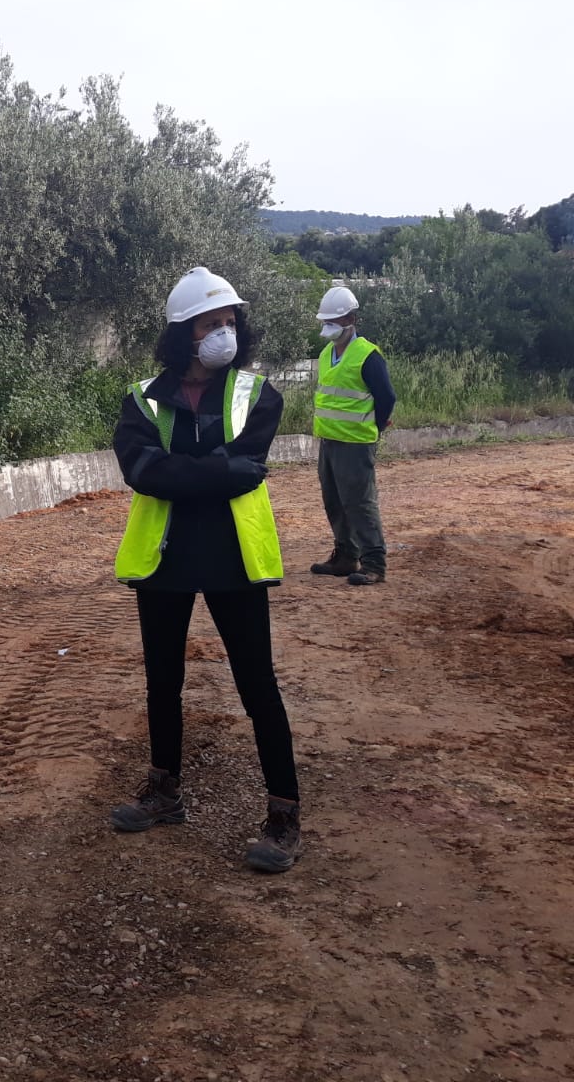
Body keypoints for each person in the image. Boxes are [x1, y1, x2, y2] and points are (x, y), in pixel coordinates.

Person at [110, 267, 303, 873]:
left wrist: (179, 470)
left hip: (232, 559)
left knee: (258, 686)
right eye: (210, 322)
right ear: (181, 333)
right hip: (164, 557)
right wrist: (213, 472)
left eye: (229, 322)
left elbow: (247, 467)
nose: (224, 332)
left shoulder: (257, 395)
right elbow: (141, 471)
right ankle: (164, 791)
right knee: (162, 683)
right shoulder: (142, 398)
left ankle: (283, 814)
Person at [309, 285, 395, 586]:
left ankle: (374, 564)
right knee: (333, 500)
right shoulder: (325, 354)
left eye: (334, 320)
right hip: (329, 440)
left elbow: (386, 397)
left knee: (359, 502)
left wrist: (377, 427)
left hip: (356, 442)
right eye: (325, 321)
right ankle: (345, 556)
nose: (328, 327)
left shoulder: (367, 355)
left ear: (351, 319)